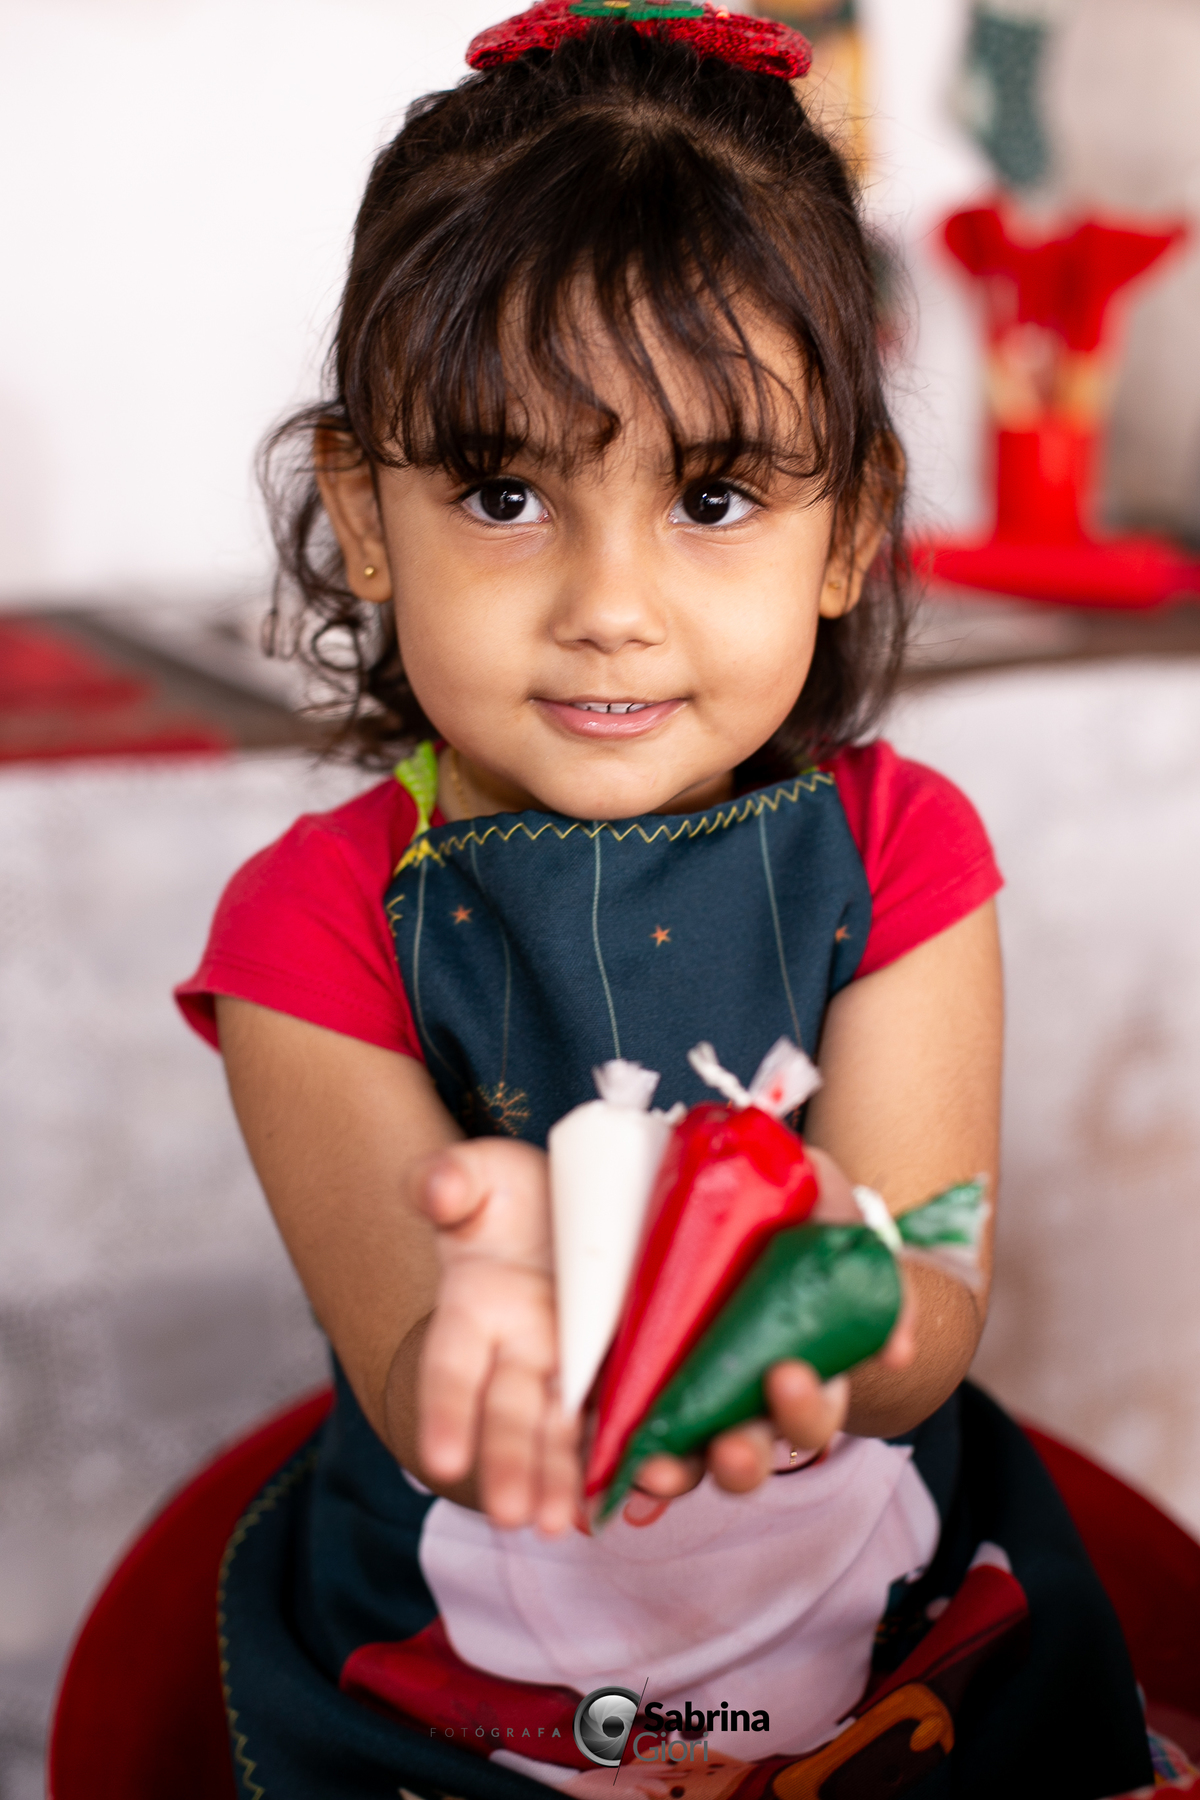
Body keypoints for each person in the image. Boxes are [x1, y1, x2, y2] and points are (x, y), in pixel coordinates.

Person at [176, 5, 1152, 1796]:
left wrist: (831, 1296)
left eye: (712, 494)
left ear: (851, 529)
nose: (610, 603)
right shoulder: (305, 930)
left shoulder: (904, 853)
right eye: (505, 490)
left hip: (901, 1661)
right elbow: (417, 1385)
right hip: (466, 1709)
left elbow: (930, 1326)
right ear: (366, 516)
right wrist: (494, 1334)